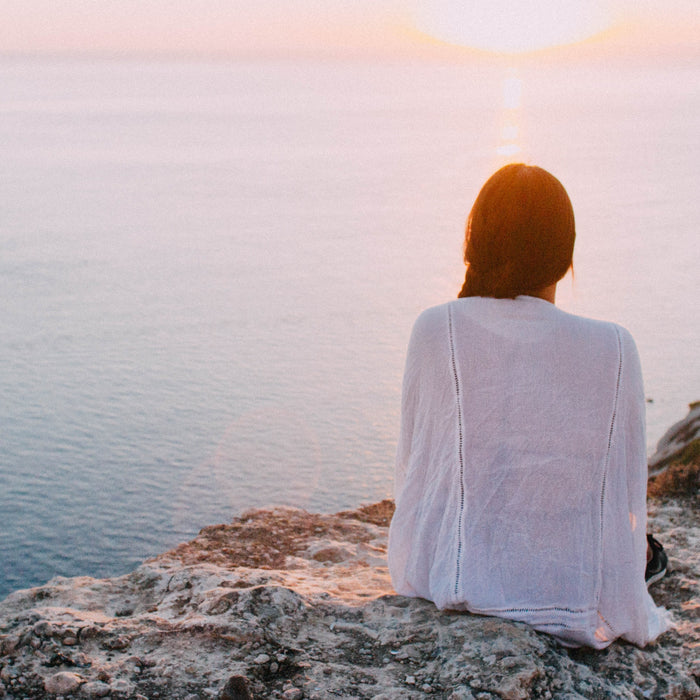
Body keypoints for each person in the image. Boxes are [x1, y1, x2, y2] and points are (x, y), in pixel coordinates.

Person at [387, 164, 670, 648]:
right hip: (570, 583)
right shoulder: (615, 346)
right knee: (645, 552)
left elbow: (416, 476)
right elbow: (624, 492)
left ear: (475, 242)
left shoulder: (436, 329)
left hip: (456, 576)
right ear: (564, 255)